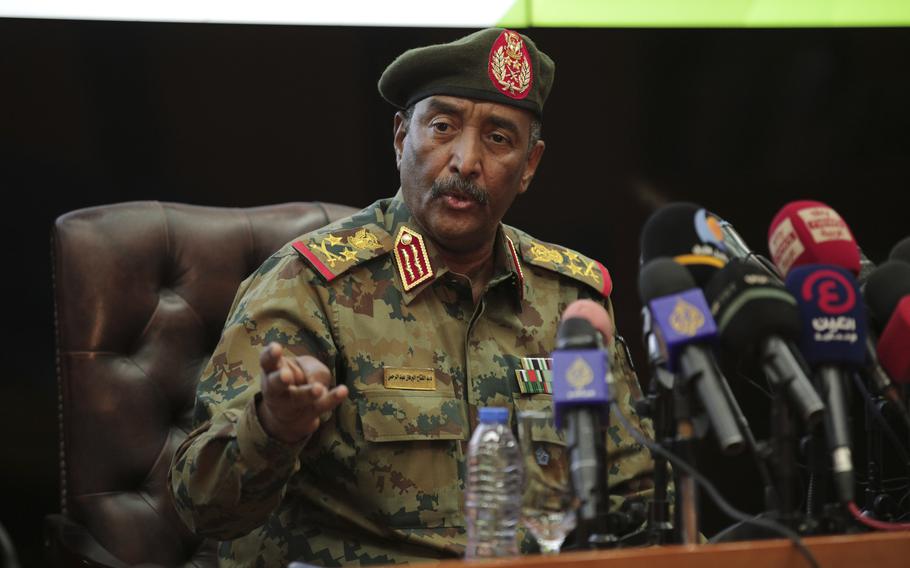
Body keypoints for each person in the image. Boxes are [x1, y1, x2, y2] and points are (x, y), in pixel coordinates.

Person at [170, 27, 657, 566]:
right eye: (443, 127)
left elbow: (638, 500)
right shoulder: (312, 287)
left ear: (530, 166)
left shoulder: (569, 301)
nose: (466, 161)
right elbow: (203, 507)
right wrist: (273, 428)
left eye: (498, 138)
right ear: (402, 137)